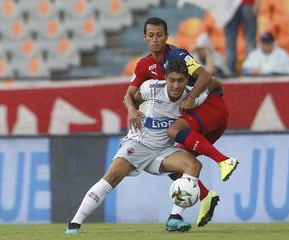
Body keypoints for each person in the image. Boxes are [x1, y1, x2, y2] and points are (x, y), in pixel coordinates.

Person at [65, 59, 209, 234]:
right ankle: (74, 224)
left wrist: (213, 89)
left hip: (164, 150)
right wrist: (132, 110)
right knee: (111, 177)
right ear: (165, 78)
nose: (176, 85)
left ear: (187, 80)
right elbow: (130, 97)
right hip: (138, 143)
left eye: (180, 80)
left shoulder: (193, 97)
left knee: (194, 165)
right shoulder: (152, 88)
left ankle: (175, 218)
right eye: (172, 80)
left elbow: (213, 85)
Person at [124, 17, 238, 228]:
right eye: (151, 35)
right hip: (196, 118)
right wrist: (132, 109)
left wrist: (190, 97)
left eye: (159, 35)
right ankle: (197, 202)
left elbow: (206, 76)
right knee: (174, 163)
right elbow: (129, 95)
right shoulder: (144, 65)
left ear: (167, 36)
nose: (155, 39)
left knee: (174, 130)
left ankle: (224, 160)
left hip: (208, 107)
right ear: (145, 38)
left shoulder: (178, 55)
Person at [224, 0, 261, 75]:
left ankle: (230, 72)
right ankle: (252, 69)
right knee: (250, 40)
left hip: (232, 5)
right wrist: (257, 3)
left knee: (230, 41)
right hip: (244, 4)